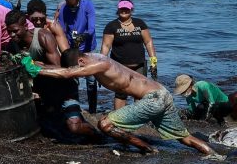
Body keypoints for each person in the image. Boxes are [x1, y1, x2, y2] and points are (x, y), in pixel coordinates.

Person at [35, 50, 214, 155]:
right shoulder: (94, 57)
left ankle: (147, 149)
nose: (78, 71)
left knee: (104, 124)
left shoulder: (99, 65)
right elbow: (65, 69)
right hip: (162, 93)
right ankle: (213, 156)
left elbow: (66, 73)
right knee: (184, 137)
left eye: (78, 67)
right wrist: (41, 65)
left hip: (153, 99)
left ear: (82, 61)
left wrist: (34, 69)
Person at [5, 10, 100, 142]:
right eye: (9, 31)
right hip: (44, 90)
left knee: (74, 127)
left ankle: (98, 136)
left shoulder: (42, 37)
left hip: (64, 87)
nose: (11, 34)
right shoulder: (12, 45)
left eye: (15, 31)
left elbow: (60, 69)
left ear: (25, 26)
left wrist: (36, 66)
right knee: (50, 128)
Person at [101, 0, 157, 110]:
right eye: (122, 9)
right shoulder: (111, 26)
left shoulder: (140, 23)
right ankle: (119, 118)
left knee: (140, 93)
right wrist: (101, 65)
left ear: (131, 10)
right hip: (120, 67)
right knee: (121, 93)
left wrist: (153, 62)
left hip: (139, 65)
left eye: (127, 9)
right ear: (118, 9)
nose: (124, 11)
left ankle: (137, 118)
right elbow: (106, 46)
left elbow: (148, 42)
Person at [57, 0, 98, 113]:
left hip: (88, 47)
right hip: (72, 48)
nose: (72, 9)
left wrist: (83, 36)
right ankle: (76, 108)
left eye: (74, 7)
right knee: (73, 80)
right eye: (70, 7)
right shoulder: (64, 8)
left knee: (91, 80)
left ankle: (92, 109)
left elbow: (91, 28)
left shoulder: (87, 5)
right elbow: (62, 30)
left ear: (79, 0)